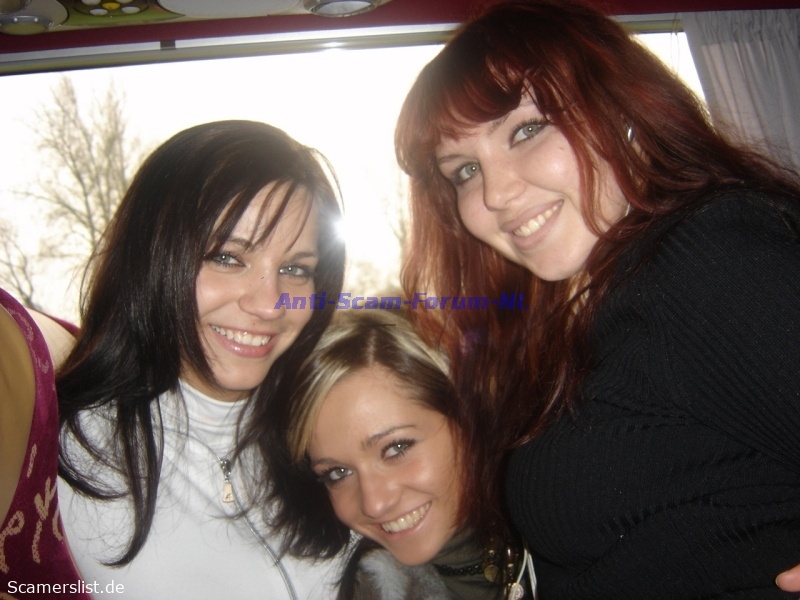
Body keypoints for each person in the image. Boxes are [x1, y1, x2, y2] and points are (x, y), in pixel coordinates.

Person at [394, 1, 800, 597]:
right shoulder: (580, 308)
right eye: (464, 170)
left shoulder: (707, 256)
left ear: (622, 109)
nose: (496, 193)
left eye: (526, 130)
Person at [55, 120, 346, 598]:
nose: (270, 304)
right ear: (153, 257)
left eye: (295, 268)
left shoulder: (328, 428)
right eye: (228, 258)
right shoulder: (59, 457)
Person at [270, 309, 518, 599]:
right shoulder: (370, 588)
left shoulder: (556, 521)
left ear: (466, 419)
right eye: (338, 473)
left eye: (396, 448)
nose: (374, 504)